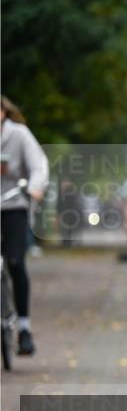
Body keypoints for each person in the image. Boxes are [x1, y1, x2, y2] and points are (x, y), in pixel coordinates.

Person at [0, 96, 49, 356]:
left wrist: (35, 187)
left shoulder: (18, 135)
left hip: (14, 204)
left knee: (16, 262)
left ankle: (24, 328)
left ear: (4, 112)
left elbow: (38, 164)